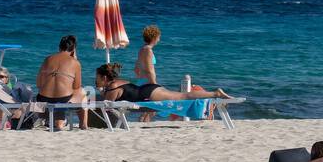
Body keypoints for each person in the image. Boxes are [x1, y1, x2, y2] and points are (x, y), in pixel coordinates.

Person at [96, 63, 229, 103]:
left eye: (97, 77)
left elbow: (107, 106)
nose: (95, 79)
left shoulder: (113, 87)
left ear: (104, 78)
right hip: (148, 89)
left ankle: (214, 93)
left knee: (184, 96)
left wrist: (100, 91)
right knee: (183, 95)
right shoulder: (118, 82)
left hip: (147, 93)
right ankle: (214, 93)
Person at [36, 35, 87, 130]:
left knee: (58, 97)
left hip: (43, 98)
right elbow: (77, 86)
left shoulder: (47, 59)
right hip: (63, 100)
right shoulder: (75, 63)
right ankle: (83, 125)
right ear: (73, 49)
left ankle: (54, 121)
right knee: (83, 93)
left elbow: (38, 83)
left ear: (59, 47)